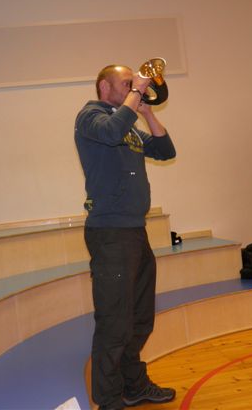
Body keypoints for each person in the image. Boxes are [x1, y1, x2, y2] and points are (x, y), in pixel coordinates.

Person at [74, 64, 177, 409]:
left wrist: (146, 112)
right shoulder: (91, 117)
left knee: (139, 319)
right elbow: (111, 132)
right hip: (110, 234)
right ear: (105, 87)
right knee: (114, 322)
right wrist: (136, 94)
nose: (136, 86)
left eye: (136, 82)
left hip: (135, 232)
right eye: (127, 82)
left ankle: (133, 386)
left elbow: (165, 150)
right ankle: (108, 401)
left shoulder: (129, 125)